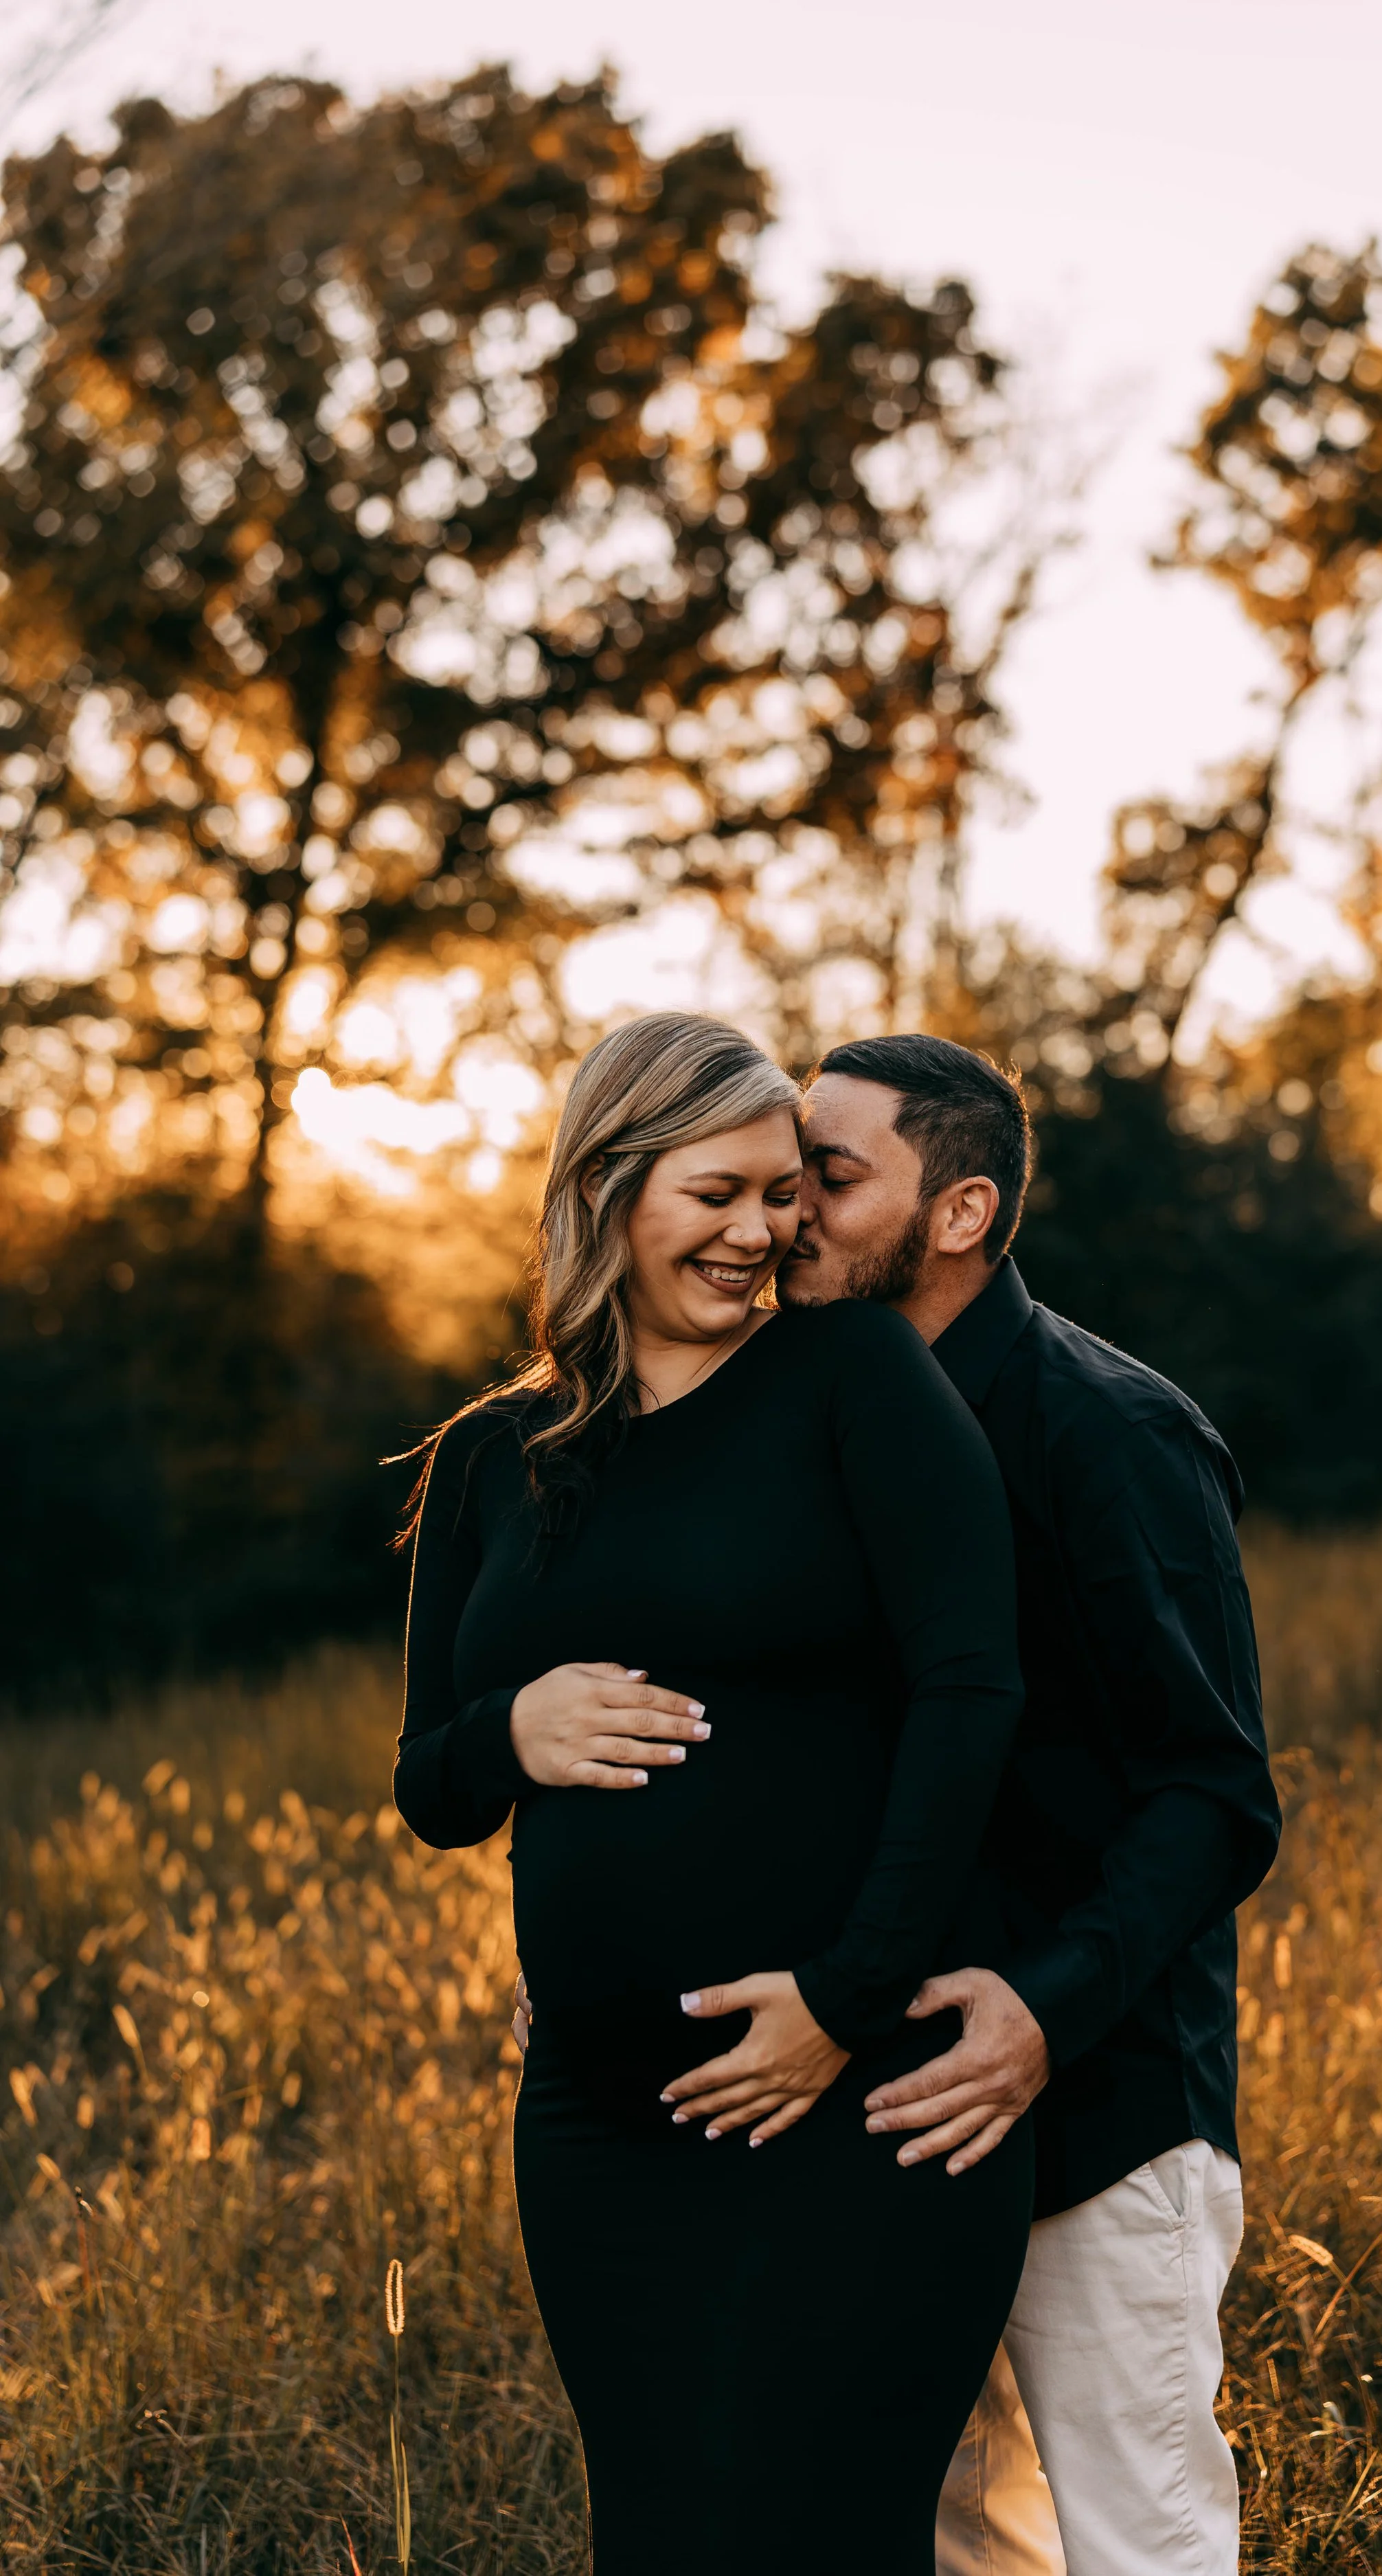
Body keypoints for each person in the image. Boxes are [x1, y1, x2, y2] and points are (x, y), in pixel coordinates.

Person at [394, 1012, 1034, 2576]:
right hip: (598, 2127)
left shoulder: (853, 1379)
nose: (764, 1234)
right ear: (609, 1188)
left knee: (834, 2540)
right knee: (663, 2544)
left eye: (781, 1195)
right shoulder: (496, 1455)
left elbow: (972, 1692)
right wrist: (511, 1728)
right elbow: (430, 1787)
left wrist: (840, 1993)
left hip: (852, 2103)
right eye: (717, 1195)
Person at [779, 1034, 1281, 2576]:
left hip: (1104, 2110)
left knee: (1140, 2549)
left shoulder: (1108, 1431)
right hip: (892, 2117)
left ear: (957, 1210)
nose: (784, 1205)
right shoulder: (810, 1420)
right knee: (963, 2550)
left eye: (831, 1173)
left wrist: (1044, 2013)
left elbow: (1212, 1793)